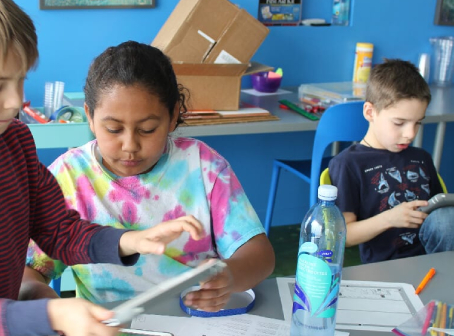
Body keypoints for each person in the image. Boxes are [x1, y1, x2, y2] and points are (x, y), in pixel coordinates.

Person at [0, 0, 204, 335]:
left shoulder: (13, 139)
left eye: (21, 78)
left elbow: (57, 228)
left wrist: (129, 241)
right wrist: (52, 315)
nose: (16, 101)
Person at [22, 41, 275, 313]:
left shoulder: (203, 167)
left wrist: (229, 276)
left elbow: (261, 256)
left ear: (173, 115)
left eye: (147, 129)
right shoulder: (68, 178)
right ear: (90, 117)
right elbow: (29, 271)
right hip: (109, 326)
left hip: (195, 321)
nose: (130, 145)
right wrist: (47, 308)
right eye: (113, 129)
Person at [329, 59, 454, 264]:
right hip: (388, 265)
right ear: (370, 112)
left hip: (436, 259)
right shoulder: (348, 164)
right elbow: (343, 237)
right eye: (399, 123)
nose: (410, 134)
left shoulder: (421, 157)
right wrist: (389, 218)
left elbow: (437, 213)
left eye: (418, 123)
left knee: (451, 219)